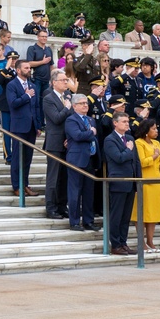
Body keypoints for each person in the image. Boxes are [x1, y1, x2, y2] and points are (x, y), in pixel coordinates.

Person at [104, 111, 139, 255]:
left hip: (130, 181)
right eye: (124, 121)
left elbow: (135, 161)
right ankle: (115, 244)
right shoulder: (110, 140)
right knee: (116, 215)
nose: (127, 124)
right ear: (115, 123)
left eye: (128, 121)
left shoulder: (129, 138)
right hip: (118, 181)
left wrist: (137, 179)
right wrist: (128, 149)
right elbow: (118, 158)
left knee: (126, 216)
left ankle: (123, 243)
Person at [130, 119, 160, 252]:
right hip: (144, 182)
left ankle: (150, 241)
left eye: (156, 129)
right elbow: (142, 162)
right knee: (142, 213)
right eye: (154, 129)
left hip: (156, 182)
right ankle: (141, 242)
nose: (156, 131)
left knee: (153, 214)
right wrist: (154, 157)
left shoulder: (156, 143)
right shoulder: (139, 143)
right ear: (146, 131)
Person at [6, 60, 39, 197]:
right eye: (26, 68)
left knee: (28, 158)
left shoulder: (33, 85)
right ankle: (16, 185)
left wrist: (38, 125)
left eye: (30, 68)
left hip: (31, 127)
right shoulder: (12, 85)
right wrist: (26, 96)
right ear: (18, 70)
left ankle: (25, 184)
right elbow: (13, 103)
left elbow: (36, 107)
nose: (29, 70)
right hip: (19, 127)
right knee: (17, 158)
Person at [65, 94, 98, 231]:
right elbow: (77, 136)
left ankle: (88, 221)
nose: (86, 105)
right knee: (75, 191)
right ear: (74, 106)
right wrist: (91, 132)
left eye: (86, 103)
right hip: (77, 160)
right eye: (82, 103)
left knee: (89, 191)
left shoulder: (90, 120)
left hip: (90, 158)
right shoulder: (71, 120)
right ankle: (74, 221)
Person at [42, 71, 73, 217]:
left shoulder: (68, 97)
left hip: (66, 142)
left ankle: (62, 205)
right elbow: (56, 118)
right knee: (53, 177)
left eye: (66, 80)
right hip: (54, 143)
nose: (66, 83)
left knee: (64, 177)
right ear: (54, 82)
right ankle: (51, 207)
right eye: (63, 80)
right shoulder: (48, 98)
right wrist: (67, 107)